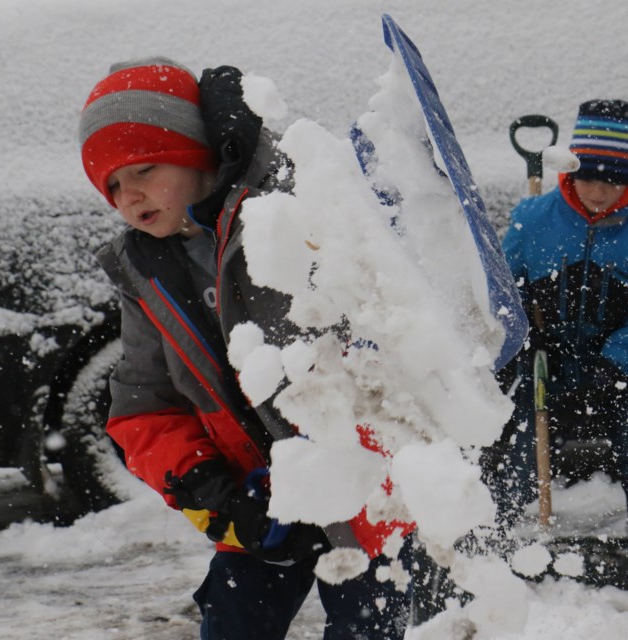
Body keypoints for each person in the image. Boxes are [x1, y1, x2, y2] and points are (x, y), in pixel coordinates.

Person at [79, 57, 412, 639]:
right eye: (111, 184)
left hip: (362, 489)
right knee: (233, 625)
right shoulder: (146, 270)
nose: (127, 195)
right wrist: (210, 489)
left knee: (369, 627)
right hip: (255, 499)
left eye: (143, 169)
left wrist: (351, 462)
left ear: (192, 151)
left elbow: (384, 337)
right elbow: (143, 405)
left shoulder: (293, 205)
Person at [500, 99, 628, 537]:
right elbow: (503, 291)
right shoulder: (533, 219)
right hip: (547, 359)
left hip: (619, 365)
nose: (599, 191)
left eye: (614, 180)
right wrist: (524, 336)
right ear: (571, 169)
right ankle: (495, 537)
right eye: (588, 176)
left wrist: (618, 362)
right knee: (521, 450)